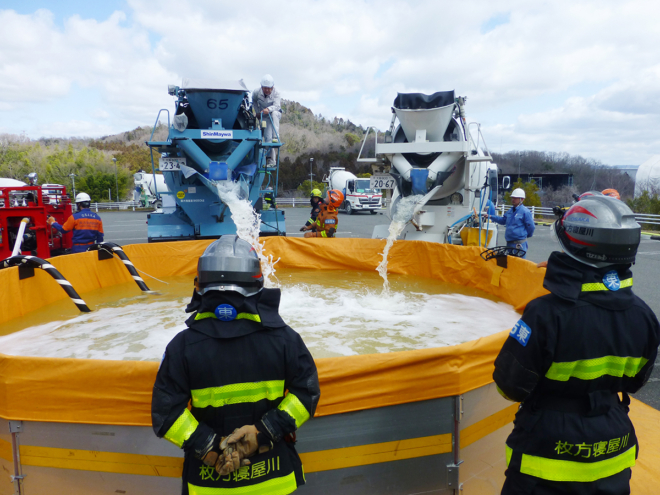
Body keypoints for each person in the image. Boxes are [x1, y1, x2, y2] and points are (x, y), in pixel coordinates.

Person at [493, 195, 660, 495]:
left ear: (574, 247)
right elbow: (635, 382)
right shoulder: (645, 317)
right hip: (613, 455)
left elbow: (509, 387)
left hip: (544, 460)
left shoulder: (544, 314)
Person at [151, 235, 320, 495]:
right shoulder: (285, 339)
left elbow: (166, 414)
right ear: (259, 285)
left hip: (208, 484)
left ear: (199, 286)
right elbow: (306, 394)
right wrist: (262, 433)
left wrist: (210, 446)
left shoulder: (181, 347)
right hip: (274, 480)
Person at [486, 188, 535, 257]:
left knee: (519, 264)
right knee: (510, 264)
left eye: (515, 198)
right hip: (509, 243)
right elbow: (503, 220)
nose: (513, 199)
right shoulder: (510, 211)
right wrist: (490, 216)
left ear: (522, 199)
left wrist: (526, 235)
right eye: (512, 198)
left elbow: (531, 226)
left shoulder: (525, 212)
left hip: (519, 244)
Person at [252, 74, 281, 167]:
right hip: (264, 116)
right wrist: (257, 112)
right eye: (265, 88)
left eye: (269, 88)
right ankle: (271, 161)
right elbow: (254, 101)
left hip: (274, 113)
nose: (267, 90)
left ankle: (276, 136)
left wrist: (268, 109)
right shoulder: (256, 92)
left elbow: (277, 106)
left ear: (272, 87)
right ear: (262, 87)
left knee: (274, 113)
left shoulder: (276, 93)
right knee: (268, 139)